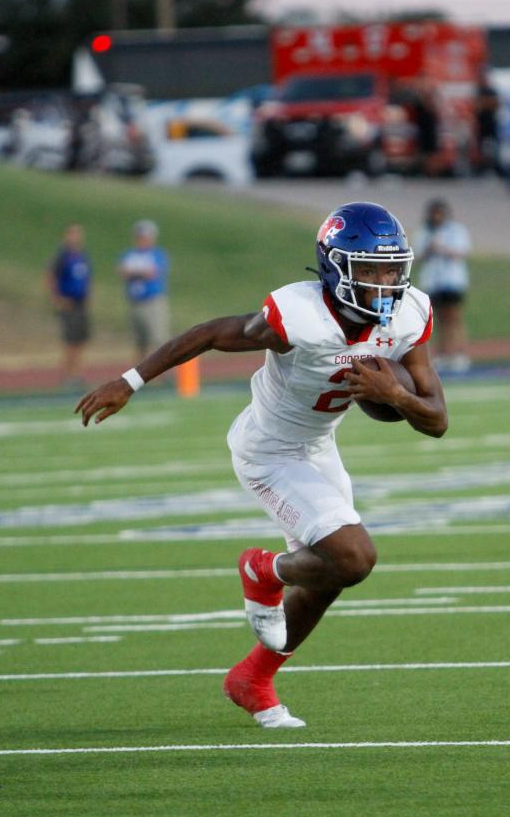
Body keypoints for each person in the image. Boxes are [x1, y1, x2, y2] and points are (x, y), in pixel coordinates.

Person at [77, 202, 447, 729]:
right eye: (368, 269)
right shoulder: (297, 316)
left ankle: (252, 680)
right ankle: (262, 569)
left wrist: (395, 395)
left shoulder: (411, 314)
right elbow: (209, 333)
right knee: (355, 557)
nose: (384, 281)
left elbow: (435, 420)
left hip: (318, 448)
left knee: (332, 574)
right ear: (335, 266)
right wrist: (129, 382)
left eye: (391, 268)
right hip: (268, 451)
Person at [413, 199, 472, 373]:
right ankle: (443, 353)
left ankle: (459, 353)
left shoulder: (456, 230)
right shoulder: (424, 231)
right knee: (437, 319)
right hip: (433, 281)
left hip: (452, 280)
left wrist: (443, 248)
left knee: (454, 317)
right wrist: (430, 249)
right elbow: (417, 255)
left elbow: (461, 252)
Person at [118, 219, 170, 359]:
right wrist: (140, 272)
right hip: (135, 302)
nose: (142, 240)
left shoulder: (157, 254)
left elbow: (152, 273)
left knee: (159, 338)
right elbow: (122, 272)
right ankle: (139, 375)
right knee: (139, 341)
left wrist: (133, 272)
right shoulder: (129, 254)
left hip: (152, 301)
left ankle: (165, 375)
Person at [48, 223, 92, 384]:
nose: (76, 237)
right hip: (69, 303)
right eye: (73, 233)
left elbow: (87, 278)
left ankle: (77, 374)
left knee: (80, 340)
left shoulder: (82, 255)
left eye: (78, 234)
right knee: (69, 341)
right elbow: (51, 277)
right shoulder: (62, 256)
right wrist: (58, 299)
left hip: (81, 304)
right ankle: (67, 375)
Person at [473, 70, 502, 177]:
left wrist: (484, 103)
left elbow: (495, 104)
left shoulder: (491, 91)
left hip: (491, 125)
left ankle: (495, 168)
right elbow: (476, 106)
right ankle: (482, 169)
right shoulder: (478, 91)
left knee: (494, 148)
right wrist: (486, 103)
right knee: (481, 149)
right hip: (482, 125)